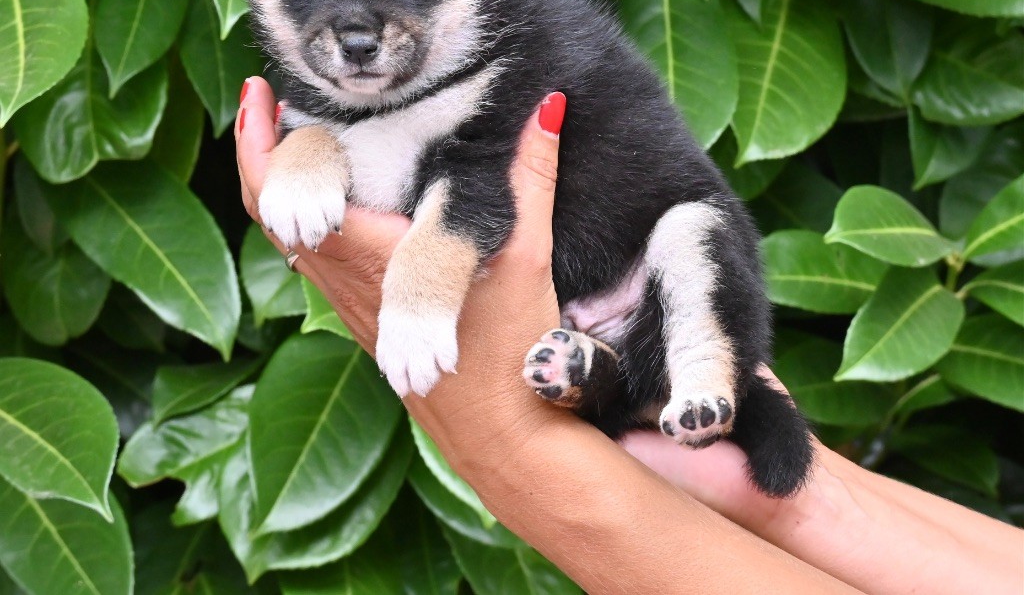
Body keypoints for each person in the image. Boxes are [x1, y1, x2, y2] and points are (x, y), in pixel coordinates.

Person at [236, 77, 1023, 595]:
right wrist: (802, 502)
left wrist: (512, 452)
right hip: (617, 342)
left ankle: (664, 378)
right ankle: (629, 384)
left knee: (689, 243)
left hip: (626, 291)